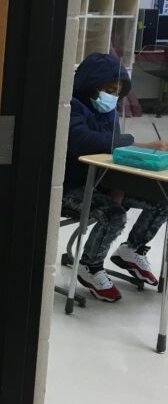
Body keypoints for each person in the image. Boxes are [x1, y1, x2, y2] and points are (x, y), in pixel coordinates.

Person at [63, 52, 168, 302]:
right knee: (114, 214)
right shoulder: (71, 107)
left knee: (160, 201)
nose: (112, 96)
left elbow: (113, 151)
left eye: (117, 92)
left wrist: (118, 186)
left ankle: (131, 250)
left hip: (100, 182)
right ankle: (90, 266)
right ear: (92, 84)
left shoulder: (107, 111)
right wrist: (139, 144)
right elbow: (89, 143)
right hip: (70, 188)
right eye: (108, 89)